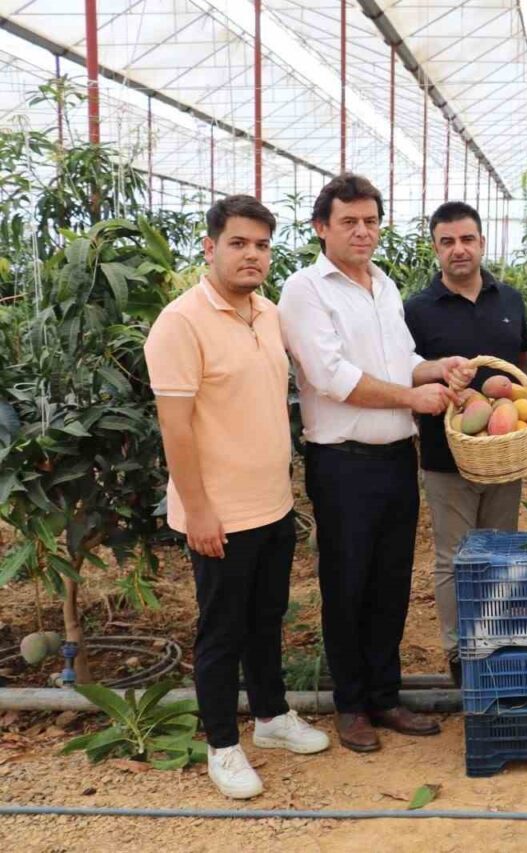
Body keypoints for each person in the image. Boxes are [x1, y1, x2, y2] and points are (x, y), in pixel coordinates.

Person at [277, 174, 473, 753]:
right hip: (343, 463)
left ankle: (386, 697)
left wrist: (436, 368)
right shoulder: (306, 290)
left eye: (370, 222)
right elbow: (331, 376)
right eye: (349, 222)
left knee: (389, 582)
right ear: (322, 228)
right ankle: (352, 704)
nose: (362, 232)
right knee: (347, 583)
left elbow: (399, 357)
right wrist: (414, 398)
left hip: (393, 457)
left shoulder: (383, 284)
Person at [145, 196, 330, 799]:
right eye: (239, 243)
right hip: (219, 512)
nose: (252, 255)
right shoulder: (180, 323)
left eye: (261, 245)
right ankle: (222, 744)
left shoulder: (268, 314)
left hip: (273, 503)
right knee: (221, 630)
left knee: (266, 618)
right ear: (210, 247)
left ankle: (272, 717)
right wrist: (197, 509)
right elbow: (175, 427)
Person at [404, 201, 527, 686]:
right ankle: (460, 654)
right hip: (444, 456)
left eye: (467, 239)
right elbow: (407, 372)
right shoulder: (416, 310)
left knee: (500, 551)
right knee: (455, 557)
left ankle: (496, 640)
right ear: (435, 248)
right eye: (447, 241)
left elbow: (520, 365)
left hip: (504, 456)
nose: (459, 249)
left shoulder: (511, 300)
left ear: (481, 242)